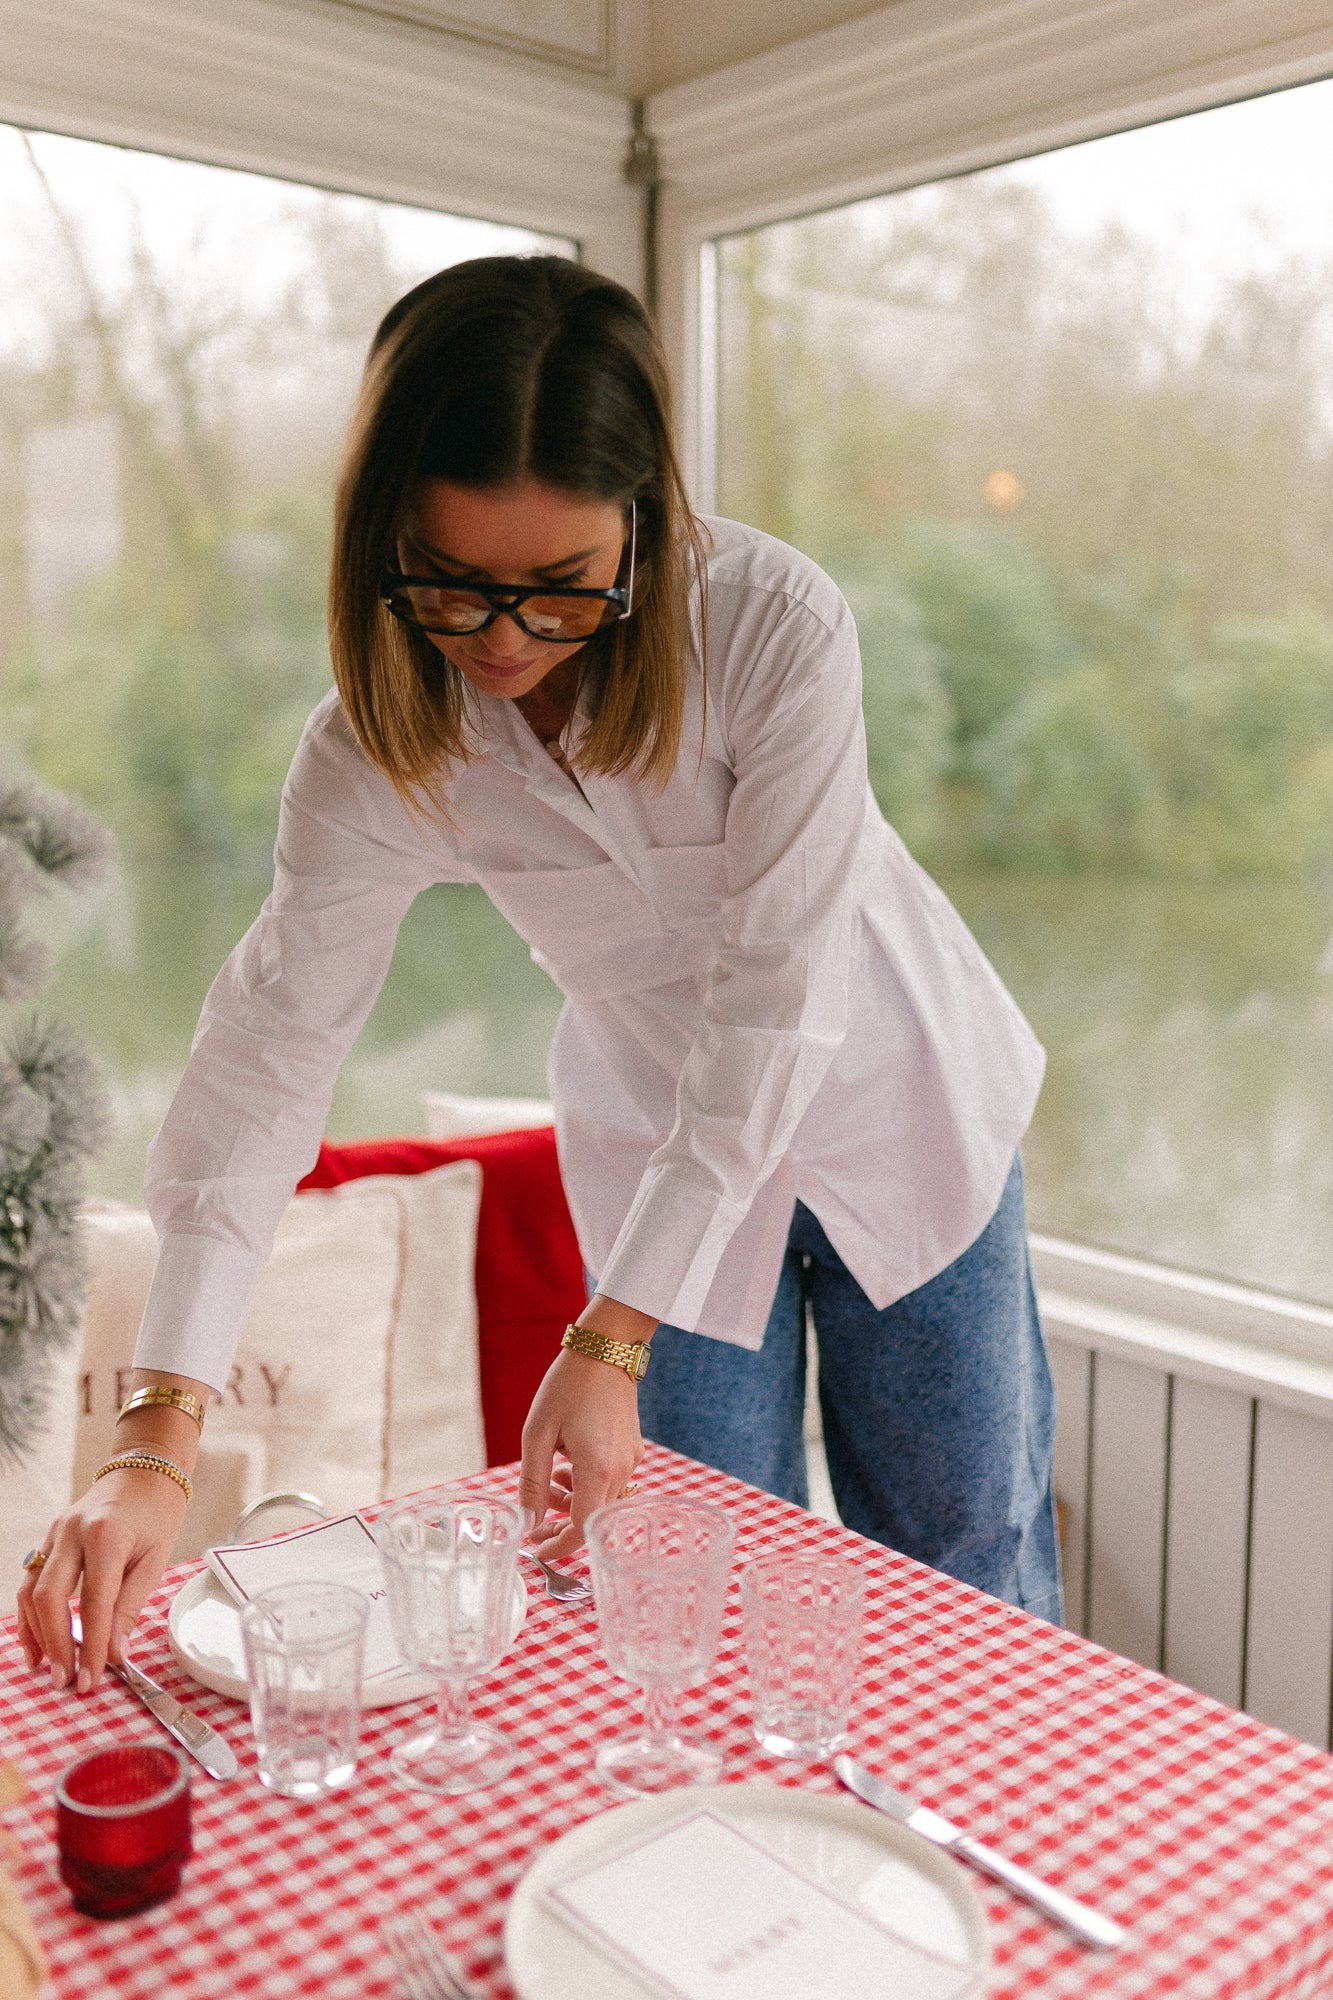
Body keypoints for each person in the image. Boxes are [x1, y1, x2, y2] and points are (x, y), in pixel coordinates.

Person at [17, 254, 1061, 1694]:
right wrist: (155, 1438)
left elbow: (778, 1000)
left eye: (562, 591)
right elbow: (267, 1059)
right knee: (679, 1568)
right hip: (654, 1144)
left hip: (903, 1110)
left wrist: (607, 1337)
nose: (504, 643)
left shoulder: (774, 626)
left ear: (641, 524)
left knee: (967, 1561)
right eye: (453, 588)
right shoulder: (369, 754)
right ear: (383, 536)